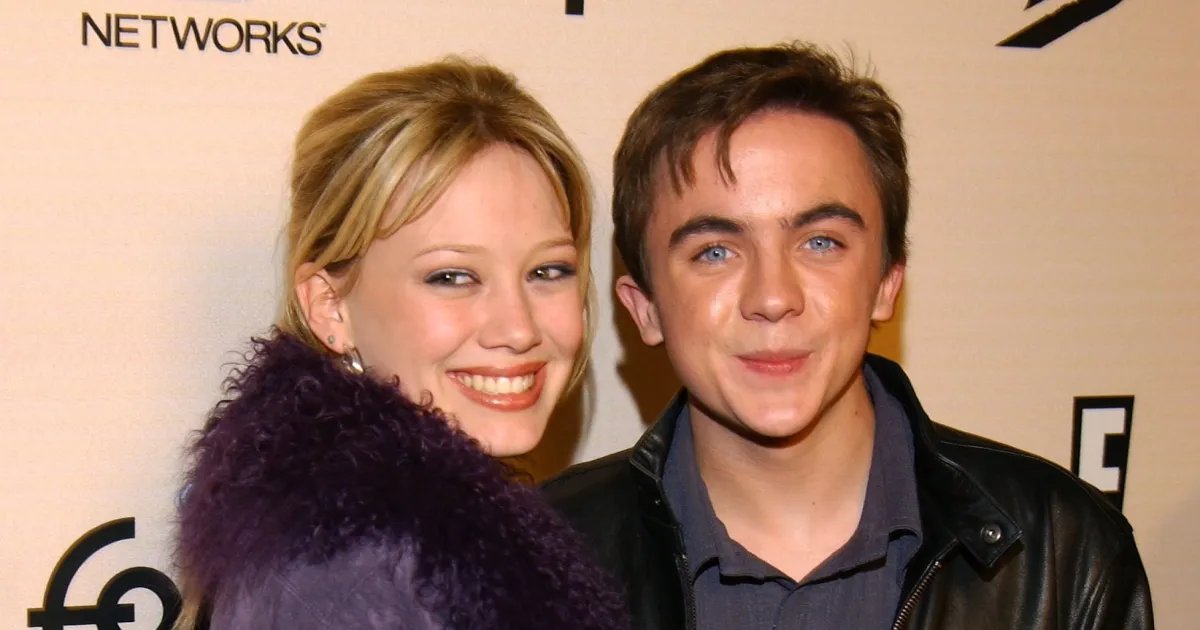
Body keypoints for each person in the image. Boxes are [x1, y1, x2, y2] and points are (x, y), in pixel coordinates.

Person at [544, 42, 1153, 629]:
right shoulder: (532, 560)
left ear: (887, 283)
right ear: (645, 308)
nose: (773, 298)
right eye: (715, 251)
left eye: (820, 242)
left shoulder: (1062, 551)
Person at [175, 59, 625, 629]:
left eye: (547, 271)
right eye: (452, 277)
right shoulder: (344, 572)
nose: (519, 329)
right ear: (330, 306)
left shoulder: (399, 540)